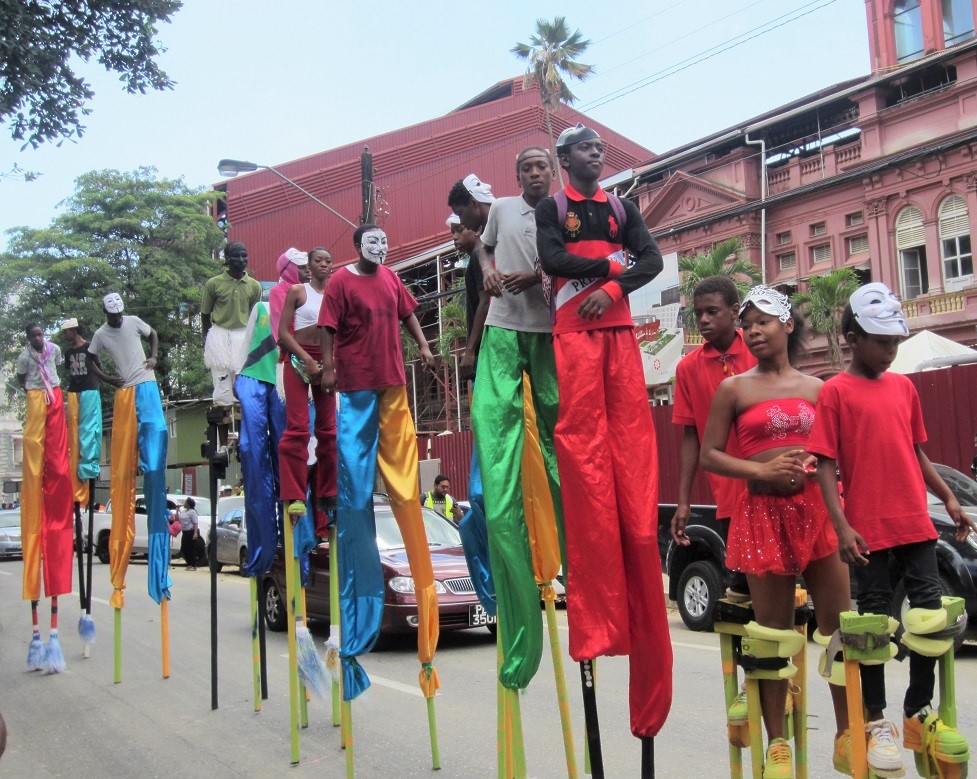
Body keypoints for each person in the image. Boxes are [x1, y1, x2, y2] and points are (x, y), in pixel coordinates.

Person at [535, 123, 672, 739]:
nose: (598, 155)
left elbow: (652, 261)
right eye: (586, 149)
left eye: (599, 149)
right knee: (584, 456)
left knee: (632, 452)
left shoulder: (622, 206)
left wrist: (611, 283)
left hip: (617, 332)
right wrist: (604, 274)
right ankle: (594, 620)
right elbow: (552, 260)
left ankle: (639, 592)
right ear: (567, 159)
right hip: (573, 334)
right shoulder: (553, 206)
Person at [809, 282, 976, 777]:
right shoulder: (835, 391)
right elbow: (823, 465)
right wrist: (840, 527)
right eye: (882, 343)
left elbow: (916, 451)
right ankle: (876, 719)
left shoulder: (903, 387)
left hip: (915, 522)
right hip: (867, 529)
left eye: (895, 344)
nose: (890, 352)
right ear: (853, 338)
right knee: (874, 628)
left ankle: (916, 710)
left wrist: (947, 497)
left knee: (928, 620)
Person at [701, 285, 852, 778]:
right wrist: (759, 472)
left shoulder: (818, 389)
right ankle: (778, 743)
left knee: (838, 628)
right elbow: (710, 454)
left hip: (818, 514)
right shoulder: (734, 388)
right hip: (762, 515)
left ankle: (848, 730)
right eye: (747, 324)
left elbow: (836, 454)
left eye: (764, 321)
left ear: (788, 325)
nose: (754, 330)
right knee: (772, 637)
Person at [450, 156, 564, 692]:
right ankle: (508, 600)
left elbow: (583, 264)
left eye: (543, 166)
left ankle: (565, 570)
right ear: (517, 177)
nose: (535, 175)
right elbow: (487, 255)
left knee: (557, 451)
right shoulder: (499, 215)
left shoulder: (565, 211)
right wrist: (490, 269)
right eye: (527, 168)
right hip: (502, 335)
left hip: (547, 333)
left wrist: (537, 275)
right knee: (491, 494)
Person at [318, 223, 439, 702]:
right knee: (355, 489)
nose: (381, 247)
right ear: (357, 245)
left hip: (391, 383)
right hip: (356, 386)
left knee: (405, 486)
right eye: (373, 241)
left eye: (385, 241)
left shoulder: (390, 278)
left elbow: (409, 315)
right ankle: (356, 614)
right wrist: (327, 366)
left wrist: (426, 346)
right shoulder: (342, 282)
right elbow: (327, 328)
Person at [87, 292, 169, 608]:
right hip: (124, 393)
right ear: (106, 314)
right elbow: (92, 359)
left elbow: (154, 335)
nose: (118, 319)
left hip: (146, 384)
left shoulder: (133, 321)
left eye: (121, 314)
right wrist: (108, 378)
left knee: (157, 440)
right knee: (123, 465)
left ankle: (159, 533)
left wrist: (154, 357)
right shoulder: (100, 334)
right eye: (114, 316)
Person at [16, 322, 73, 668]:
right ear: (28, 338)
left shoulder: (54, 351)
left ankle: (50, 637)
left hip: (55, 398)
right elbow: (23, 379)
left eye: (41, 335)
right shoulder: (24, 357)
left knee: (57, 463)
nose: (39, 340)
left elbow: (58, 373)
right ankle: (39, 635)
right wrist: (35, 394)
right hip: (37, 398)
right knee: (35, 452)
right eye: (34, 336)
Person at [278, 246, 337, 537]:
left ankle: (327, 494)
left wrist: (329, 364)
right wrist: (308, 359)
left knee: (328, 431)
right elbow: (283, 334)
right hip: (300, 359)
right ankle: (296, 495)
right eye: (318, 260)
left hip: (327, 362)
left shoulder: (336, 294)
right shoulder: (298, 292)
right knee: (298, 429)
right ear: (308, 266)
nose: (324, 264)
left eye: (328, 260)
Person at [235, 297, 286, 576]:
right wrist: (236, 373)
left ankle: (292, 552)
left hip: (283, 379)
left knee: (287, 461)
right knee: (254, 455)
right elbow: (246, 343)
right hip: (255, 376)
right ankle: (262, 550)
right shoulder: (263, 307)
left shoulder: (302, 303)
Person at [201, 241, 262, 406]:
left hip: (243, 335)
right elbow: (205, 314)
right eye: (236, 256)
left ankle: (244, 428)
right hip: (219, 334)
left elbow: (254, 316)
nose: (241, 259)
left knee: (243, 381)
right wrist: (207, 341)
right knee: (221, 382)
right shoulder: (213, 284)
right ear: (227, 258)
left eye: (244, 255)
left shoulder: (254, 286)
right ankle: (222, 426)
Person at [60, 318, 102, 505]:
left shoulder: (89, 347)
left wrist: (96, 384)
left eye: (66, 332)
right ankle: (74, 469)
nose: (64, 336)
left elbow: (98, 367)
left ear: (74, 331)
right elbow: (70, 371)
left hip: (89, 389)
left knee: (88, 428)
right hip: (73, 391)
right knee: (74, 432)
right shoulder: (69, 352)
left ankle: (87, 469)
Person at [177, 497, 200, 571]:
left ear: (188, 504)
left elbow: (195, 523)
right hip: (184, 532)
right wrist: (177, 510)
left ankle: (193, 565)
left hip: (190, 532)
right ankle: (189, 563)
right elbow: (177, 519)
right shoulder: (184, 511)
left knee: (190, 549)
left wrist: (195, 533)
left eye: (185, 502)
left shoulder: (192, 512)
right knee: (184, 548)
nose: (184, 503)